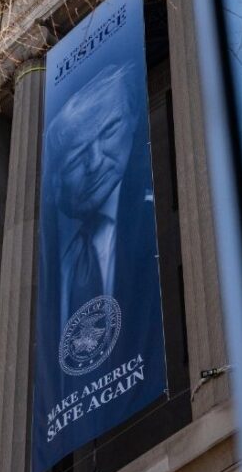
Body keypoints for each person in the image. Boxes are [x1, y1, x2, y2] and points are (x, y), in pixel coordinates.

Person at [43, 63, 158, 335]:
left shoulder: (149, 211)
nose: (95, 163)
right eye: (75, 157)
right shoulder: (50, 255)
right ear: (54, 180)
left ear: (132, 121)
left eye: (108, 132)